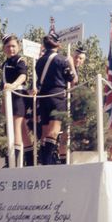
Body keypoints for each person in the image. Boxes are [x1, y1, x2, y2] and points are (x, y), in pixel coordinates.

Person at [35, 32, 76, 165]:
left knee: (45, 131)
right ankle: (47, 161)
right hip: (57, 96)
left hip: (43, 96)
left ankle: (43, 159)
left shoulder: (39, 61)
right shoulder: (62, 60)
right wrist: (72, 64)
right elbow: (73, 78)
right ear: (58, 44)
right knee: (54, 130)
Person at [0, 34, 34, 167]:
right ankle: (30, 161)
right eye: (8, 46)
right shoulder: (5, 63)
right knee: (23, 131)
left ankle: (13, 163)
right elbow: (3, 85)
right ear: (4, 48)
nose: (11, 49)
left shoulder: (20, 60)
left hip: (18, 95)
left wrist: (13, 85)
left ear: (18, 47)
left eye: (13, 46)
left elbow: (23, 76)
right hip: (9, 95)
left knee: (16, 129)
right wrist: (3, 102)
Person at [58, 46, 86, 164]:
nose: (78, 60)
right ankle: (63, 159)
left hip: (74, 104)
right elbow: (73, 81)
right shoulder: (68, 65)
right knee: (65, 132)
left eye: (81, 58)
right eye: (76, 57)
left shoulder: (77, 69)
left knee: (74, 132)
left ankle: (71, 157)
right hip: (64, 102)